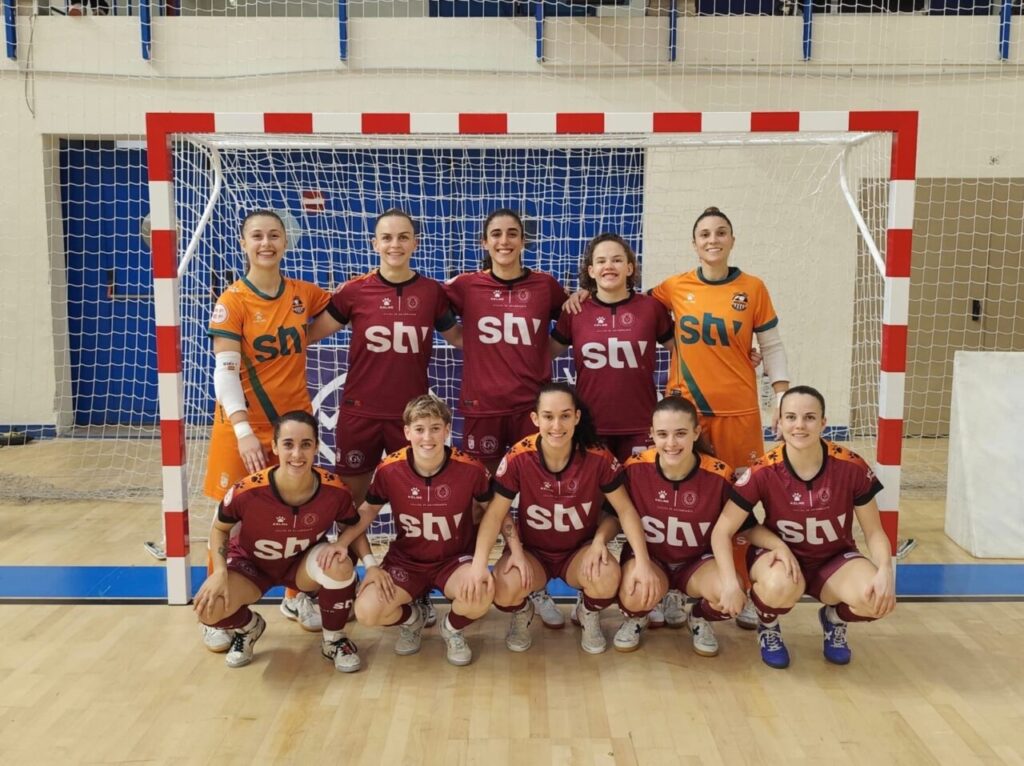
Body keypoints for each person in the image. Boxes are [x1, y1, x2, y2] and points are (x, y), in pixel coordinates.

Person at [308, 209, 462, 629]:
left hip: (410, 420)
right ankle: (352, 578)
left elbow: (462, 338)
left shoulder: (432, 293)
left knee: (418, 503)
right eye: (386, 238)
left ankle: (416, 587)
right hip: (358, 415)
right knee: (351, 503)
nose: (395, 244)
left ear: (416, 243)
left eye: (403, 237)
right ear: (373, 243)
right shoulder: (354, 292)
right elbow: (306, 334)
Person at [649, 206, 790, 631]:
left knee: (740, 506)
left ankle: (741, 587)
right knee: (678, 503)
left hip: (739, 414)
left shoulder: (753, 288)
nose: (713, 239)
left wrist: (781, 393)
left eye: (721, 232)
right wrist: (581, 294)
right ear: (694, 243)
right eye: (705, 234)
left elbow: (773, 345)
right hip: (687, 416)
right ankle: (675, 590)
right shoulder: (674, 287)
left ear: (732, 239)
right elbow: (631, 308)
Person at [204, 209, 332, 650]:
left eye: (274, 235)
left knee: (300, 513)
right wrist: (242, 430)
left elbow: (338, 311)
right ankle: (220, 612)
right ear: (244, 244)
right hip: (241, 427)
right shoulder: (233, 300)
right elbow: (225, 372)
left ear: (285, 242)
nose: (266, 243)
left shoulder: (303, 294)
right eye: (257, 236)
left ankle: (299, 597)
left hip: (291, 430)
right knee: (231, 521)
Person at [464, 382, 661, 655]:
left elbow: (624, 511)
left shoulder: (598, 456)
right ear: (535, 419)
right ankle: (524, 611)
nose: (557, 425)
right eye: (548, 416)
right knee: (503, 588)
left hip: (578, 553)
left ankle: (587, 612)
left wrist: (638, 560)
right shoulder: (520, 456)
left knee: (606, 577)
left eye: (565, 416)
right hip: (533, 553)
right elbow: (495, 514)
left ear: (577, 417)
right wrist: (485, 563)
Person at [709, 386, 896, 669]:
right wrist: (731, 580)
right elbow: (725, 529)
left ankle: (834, 620)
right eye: (791, 417)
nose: (799, 425)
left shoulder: (851, 466)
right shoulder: (763, 470)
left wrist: (885, 570)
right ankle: (768, 625)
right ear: (779, 423)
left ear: (823, 422)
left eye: (809, 417)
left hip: (834, 559)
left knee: (876, 598)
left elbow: (874, 531)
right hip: (783, 559)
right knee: (777, 586)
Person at [444, 208, 570, 629]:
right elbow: (428, 305)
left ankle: (532, 584)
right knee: (481, 499)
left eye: (512, 234)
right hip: (482, 410)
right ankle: (473, 575)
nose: (504, 241)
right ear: (484, 243)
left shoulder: (545, 285)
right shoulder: (465, 286)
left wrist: (582, 296)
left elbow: (573, 318)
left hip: (532, 411)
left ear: (523, 241)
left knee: (538, 500)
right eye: (496, 234)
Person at [193, 411, 382, 673]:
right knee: (208, 608)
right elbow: (219, 528)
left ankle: (334, 639)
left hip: (300, 566)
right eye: (288, 445)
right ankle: (249, 628)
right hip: (252, 566)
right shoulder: (248, 491)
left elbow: (353, 527)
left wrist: (370, 564)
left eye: (306, 444)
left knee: (340, 563)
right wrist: (220, 572)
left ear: (316, 446)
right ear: (274, 446)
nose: (297, 454)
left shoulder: (334, 491)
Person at [346, 395, 494, 667]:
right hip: (407, 562)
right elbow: (364, 514)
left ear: (448, 430)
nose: (428, 437)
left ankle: (452, 628)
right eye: (419, 429)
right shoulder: (389, 469)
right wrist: (369, 564)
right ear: (406, 432)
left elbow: (497, 513)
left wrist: (503, 553)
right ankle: (413, 619)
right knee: (367, 612)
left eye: (436, 428)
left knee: (482, 591)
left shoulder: (470, 469)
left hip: (453, 560)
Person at [612, 396, 735, 655]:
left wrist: (778, 547)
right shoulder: (635, 468)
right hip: (652, 560)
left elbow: (745, 526)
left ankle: (698, 617)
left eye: (680, 433)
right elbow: (614, 514)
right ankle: (639, 616)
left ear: (696, 432)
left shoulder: (719, 474)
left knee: (730, 594)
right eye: (662, 434)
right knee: (634, 593)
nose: (671, 443)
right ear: (652, 435)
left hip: (696, 563)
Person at [551, 233, 674, 463]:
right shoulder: (575, 311)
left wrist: (737, 353)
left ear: (629, 268)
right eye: (601, 261)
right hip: (591, 425)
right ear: (591, 271)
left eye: (617, 260)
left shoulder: (651, 308)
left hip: (642, 424)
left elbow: (683, 351)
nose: (609, 266)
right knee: (594, 497)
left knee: (637, 496)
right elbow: (543, 354)